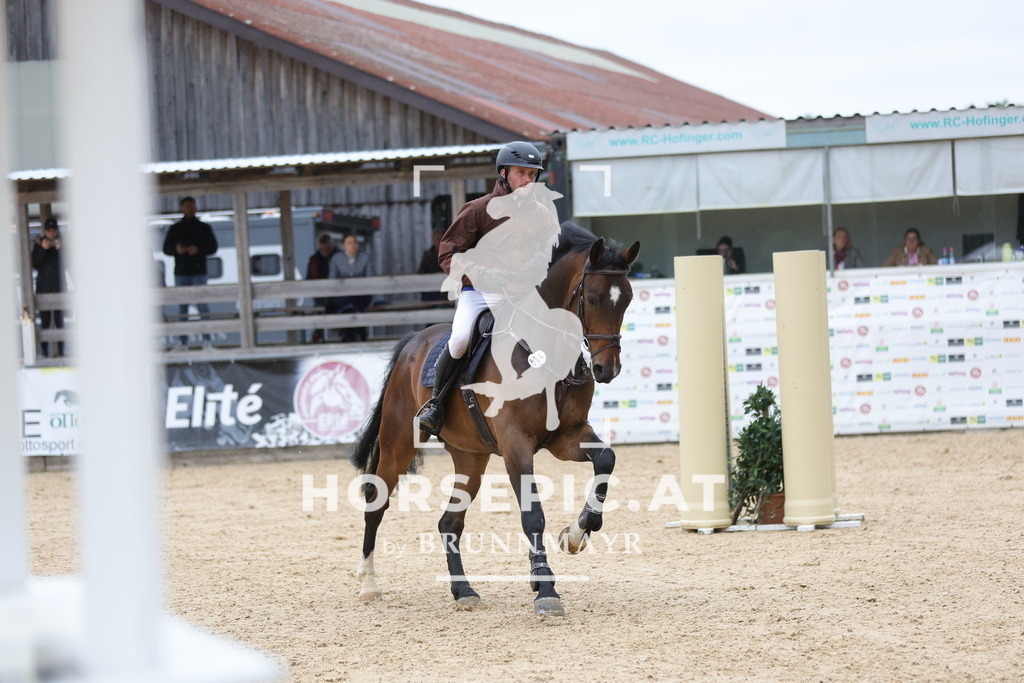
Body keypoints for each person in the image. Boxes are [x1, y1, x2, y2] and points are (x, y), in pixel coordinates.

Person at [416, 140, 552, 436]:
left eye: (532, 174)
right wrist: (483, 275)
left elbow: (546, 255)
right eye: (521, 173)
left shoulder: (541, 214)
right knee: (461, 339)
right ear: (503, 173)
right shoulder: (478, 209)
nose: (528, 179)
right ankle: (435, 405)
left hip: (519, 293)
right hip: (479, 292)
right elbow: (448, 254)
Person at [163, 196, 218, 347]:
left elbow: (213, 247)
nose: (189, 209)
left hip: (199, 271)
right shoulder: (175, 228)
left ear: (196, 208)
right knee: (183, 307)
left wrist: (198, 249)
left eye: (192, 206)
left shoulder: (204, 227)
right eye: (187, 206)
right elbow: (166, 249)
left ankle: (207, 340)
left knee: (202, 306)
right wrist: (177, 250)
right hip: (181, 272)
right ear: (182, 208)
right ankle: (183, 342)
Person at [328, 233, 375, 341]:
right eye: (349, 243)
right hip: (343, 296)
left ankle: (348, 335)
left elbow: (371, 278)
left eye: (354, 242)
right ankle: (358, 334)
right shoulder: (337, 258)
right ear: (343, 245)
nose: (352, 245)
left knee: (352, 305)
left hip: (361, 295)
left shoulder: (365, 258)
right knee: (348, 306)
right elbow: (332, 279)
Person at [31, 217, 66, 357]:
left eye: (54, 230)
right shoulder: (39, 244)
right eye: (49, 231)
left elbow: (69, 262)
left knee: (59, 323)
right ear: (45, 231)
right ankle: (44, 352)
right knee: (44, 323)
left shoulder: (62, 243)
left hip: (58, 288)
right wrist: (43, 249)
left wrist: (61, 249)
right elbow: (35, 264)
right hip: (43, 289)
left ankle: (61, 352)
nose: (52, 233)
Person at [306, 233, 339, 343]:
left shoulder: (338, 256)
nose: (325, 250)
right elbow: (309, 278)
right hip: (320, 296)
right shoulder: (314, 260)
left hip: (337, 295)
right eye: (323, 248)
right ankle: (318, 335)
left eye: (327, 248)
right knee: (320, 309)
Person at [417, 230, 444, 302]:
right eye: (437, 239)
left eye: (442, 238)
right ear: (433, 240)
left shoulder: (451, 254)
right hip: (432, 290)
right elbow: (421, 274)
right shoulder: (427, 256)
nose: (440, 241)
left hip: (446, 291)